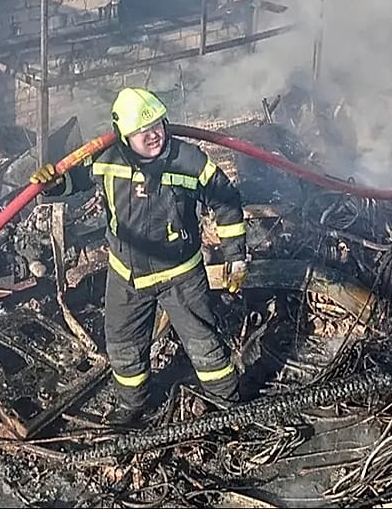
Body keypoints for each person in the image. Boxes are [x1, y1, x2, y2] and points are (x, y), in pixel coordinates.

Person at [30, 87, 249, 426]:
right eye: (142, 131)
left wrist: (236, 257)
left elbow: (226, 201)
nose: (153, 135)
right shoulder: (106, 158)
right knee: (124, 347)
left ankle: (229, 406)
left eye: (158, 125)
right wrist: (52, 183)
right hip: (126, 276)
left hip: (182, 275)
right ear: (122, 135)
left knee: (204, 344)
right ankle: (132, 406)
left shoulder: (189, 161)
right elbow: (73, 182)